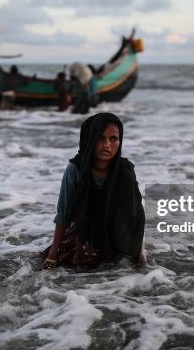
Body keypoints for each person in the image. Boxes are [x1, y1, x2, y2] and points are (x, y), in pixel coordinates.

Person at [41, 113, 146, 271]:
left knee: (123, 271)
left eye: (113, 139)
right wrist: (52, 256)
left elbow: (134, 216)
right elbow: (63, 216)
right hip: (86, 233)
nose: (107, 145)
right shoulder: (76, 170)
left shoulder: (125, 172)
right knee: (77, 268)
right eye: (100, 138)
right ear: (89, 140)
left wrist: (139, 252)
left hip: (118, 236)